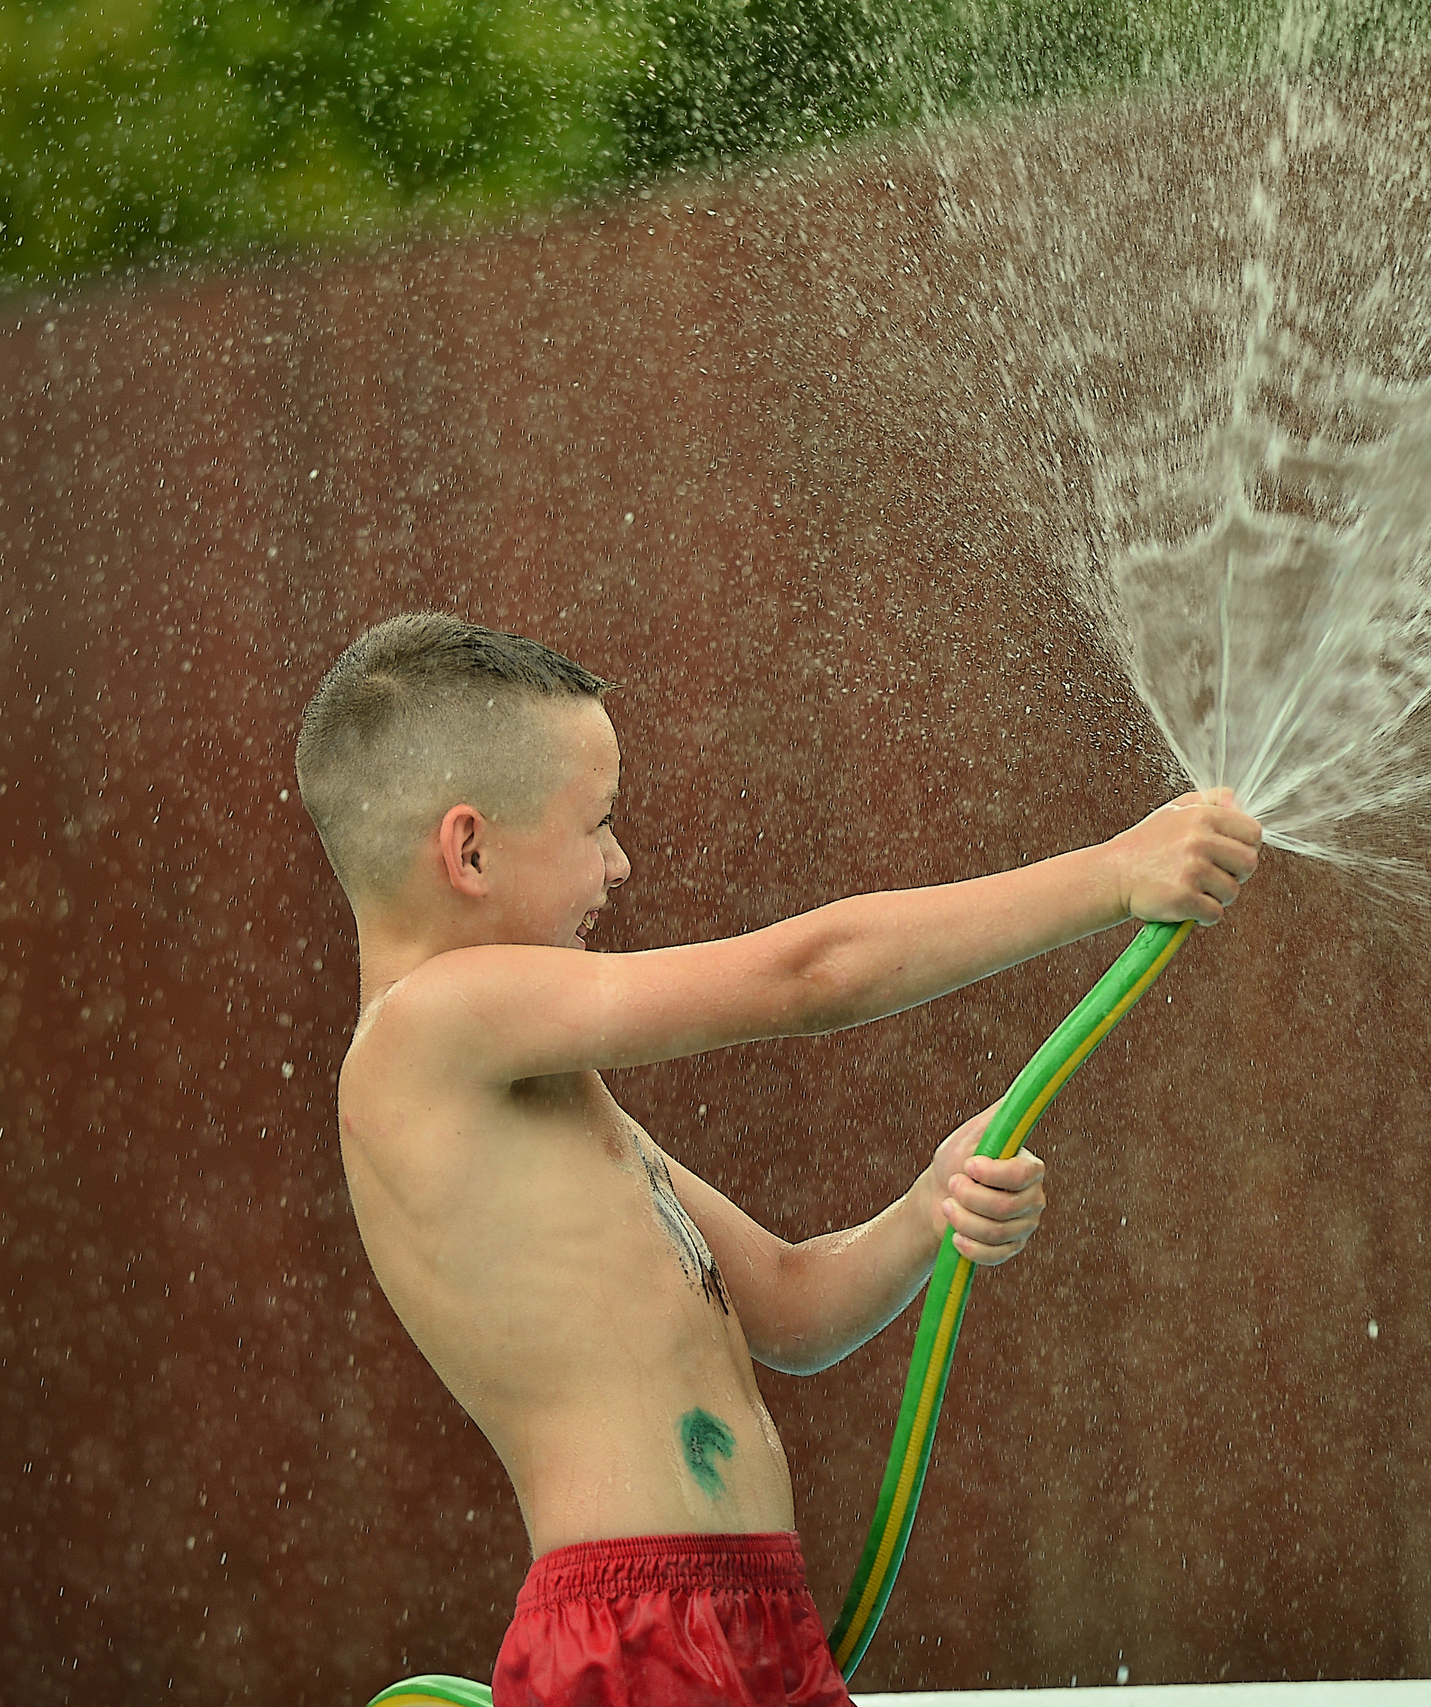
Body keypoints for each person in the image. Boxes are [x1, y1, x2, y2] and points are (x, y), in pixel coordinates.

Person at [294, 611, 1262, 1706]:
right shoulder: (427, 1029)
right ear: (468, 850)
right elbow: (809, 976)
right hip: (633, 1635)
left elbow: (795, 1310)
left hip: (755, 1622)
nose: (620, 863)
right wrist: (1113, 874)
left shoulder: (549, 1097)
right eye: (598, 825)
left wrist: (924, 1208)